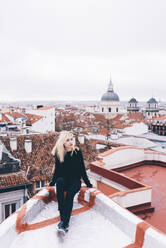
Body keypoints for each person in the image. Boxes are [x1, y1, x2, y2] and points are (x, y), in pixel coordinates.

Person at [49, 131, 93, 233]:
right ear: (63, 142)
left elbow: (82, 170)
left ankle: (64, 223)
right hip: (64, 181)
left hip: (75, 181)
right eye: (67, 140)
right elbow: (57, 171)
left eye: (72, 139)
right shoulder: (59, 153)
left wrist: (88, 183)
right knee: (59, 182)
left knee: (69, 195)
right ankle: (63, 219)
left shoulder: (77, 152)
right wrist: (52, 182)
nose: (70, 142)